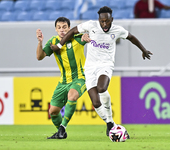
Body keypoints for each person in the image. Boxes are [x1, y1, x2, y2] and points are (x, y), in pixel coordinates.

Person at [50, 6, 153, 138]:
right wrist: (59, 45)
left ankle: (110, 121)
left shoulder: (117, 30)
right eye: (102, 21)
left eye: (107, 21)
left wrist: (143, 50)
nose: (104, 24)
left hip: (106, 65)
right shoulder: (91, 25)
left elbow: (131, 37)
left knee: (101, 88)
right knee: (96, 102)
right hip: (90, 68)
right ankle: (110, 123)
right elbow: (73, 31)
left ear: (112, 19)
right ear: (99, 19)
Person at [36, 17, 88, 139]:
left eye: (64, 27)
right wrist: (40, 42)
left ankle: (62, 127)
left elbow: (89, 39)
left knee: (72, 95)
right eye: (59, 28)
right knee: (53, 111)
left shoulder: (77, 38)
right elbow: (39, 57)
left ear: (69, 28)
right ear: (55, 29)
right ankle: (61, 133)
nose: (62, 30)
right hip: (63, 81)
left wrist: (87, 38)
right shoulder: (53, 41)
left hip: (79, 78)